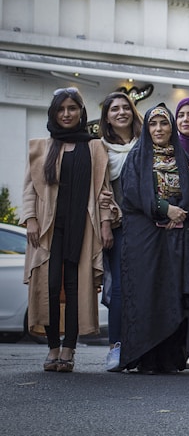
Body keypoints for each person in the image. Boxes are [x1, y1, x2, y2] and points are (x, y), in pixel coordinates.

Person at [21, 88, 114, 372]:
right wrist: (31, 219)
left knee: (76, 288)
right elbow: (29, 190)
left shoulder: (96, 147)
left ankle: (69, 348)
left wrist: (106, 222)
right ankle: (52, 346)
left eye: (72, 108)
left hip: (83, 228)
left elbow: (104, 190)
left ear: (81, 113)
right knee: (49, 286)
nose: (66, 114)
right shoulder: (40, 147)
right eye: (61, 109)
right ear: (53, 113)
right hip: (49, 229)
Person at [119, 104, 189, 374]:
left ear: (171, 128)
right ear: (146, 128)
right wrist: (164, 209)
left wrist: (179, 212)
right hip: (145, 239)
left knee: (174, 294)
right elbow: (132, 192)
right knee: (148, 293)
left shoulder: (183, 158)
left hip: (177, 239)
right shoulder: (138, 157)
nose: (158, 129)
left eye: (164, 124)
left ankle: (171, 357)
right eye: (153, 124)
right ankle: (146, 357)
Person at [98, 91, 143, 371]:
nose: (121, 113)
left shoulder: (146, 142)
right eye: (114, 109)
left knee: (146, 287)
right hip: (119, 225)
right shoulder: (100, 149)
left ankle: (144, 347)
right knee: (119, 288)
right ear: (106, 117)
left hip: (148, 225)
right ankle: (116, 346)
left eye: (126, 107)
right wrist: (105, 224)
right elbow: (101, 190)